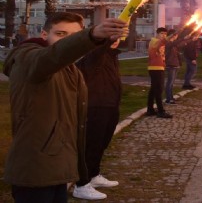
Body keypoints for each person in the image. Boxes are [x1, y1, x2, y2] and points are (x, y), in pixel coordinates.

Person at [2, 12, 127, 202]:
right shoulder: (26, 56)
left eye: (73, 36)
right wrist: (92, 35)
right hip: (35, 169)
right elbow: (48, 59)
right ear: (45, 35)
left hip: (59, 168)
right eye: (60, 34)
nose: (66, 41)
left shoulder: (70, 69)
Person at [73, 38, 123, 200]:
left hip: (110, 105)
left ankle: (94, 175)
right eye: (112, 40)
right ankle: (81, 184)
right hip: (96, 106)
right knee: (91, 144)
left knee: (102, 143)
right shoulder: (93, 55)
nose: (117, 42)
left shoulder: (111, 56)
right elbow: (100, 49)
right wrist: (109, 38)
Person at [147, 27, 173, 119]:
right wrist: (170, 36)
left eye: (165, 34)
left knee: (154, 90)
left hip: (159, 67)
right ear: (157, 33)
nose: (164, 35)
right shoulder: (154, 41)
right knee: (159, 90)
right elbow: (161, 42)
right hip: (155, 68)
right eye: (162, 33)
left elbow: (161, 53)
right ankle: (161, 111)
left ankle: (150, 110)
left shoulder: (161, 43)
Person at [164, 28, 187, 105]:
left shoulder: (173, 44)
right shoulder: (167, 43)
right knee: (169, 83)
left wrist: (188, 39)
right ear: (172, 35)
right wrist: (183, 38)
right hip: (170, 65)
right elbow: (175, 43)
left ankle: (171, 97)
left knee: (172, 83)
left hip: (175, 65)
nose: (177, 36)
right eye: (176, 35)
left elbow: (179, 44)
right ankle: (168, 99)